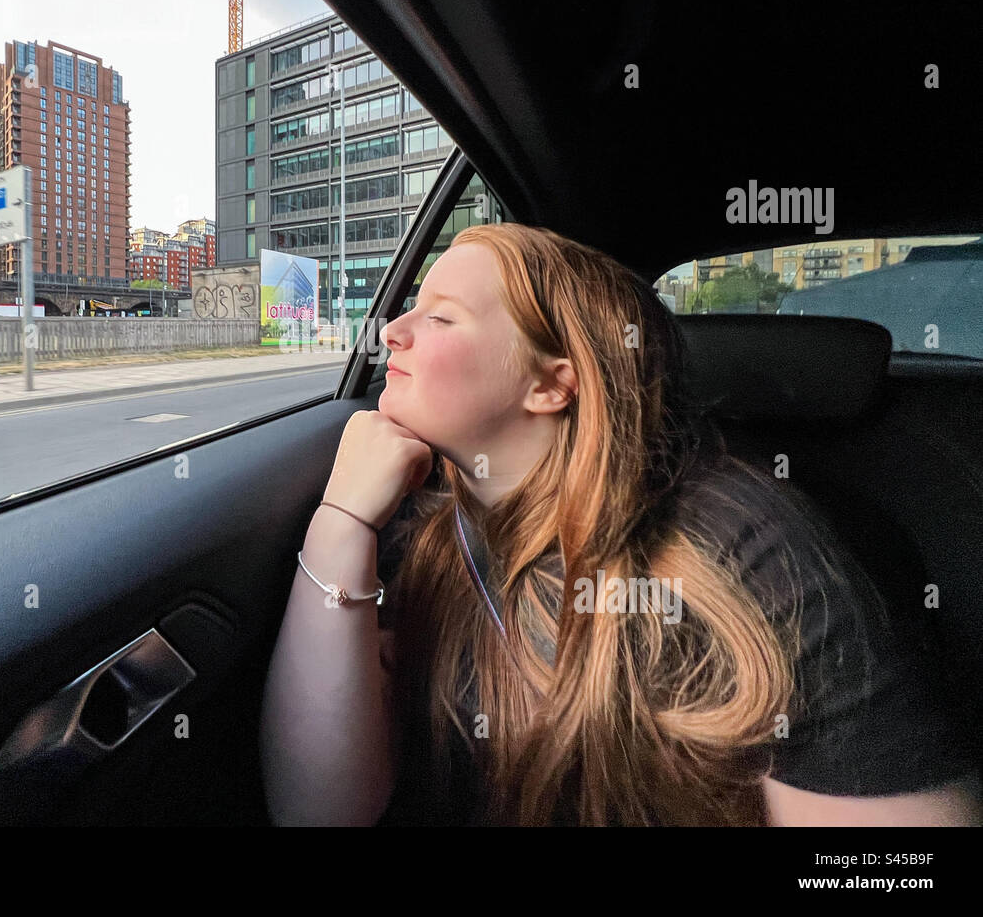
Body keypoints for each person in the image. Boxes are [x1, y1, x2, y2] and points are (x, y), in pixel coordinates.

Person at [259, 222, 981, 827]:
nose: (392, 328)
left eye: (441, 316)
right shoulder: (418, 524)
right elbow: (320, 812)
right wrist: (340, 523)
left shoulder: (734, 552)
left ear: (551, 383)